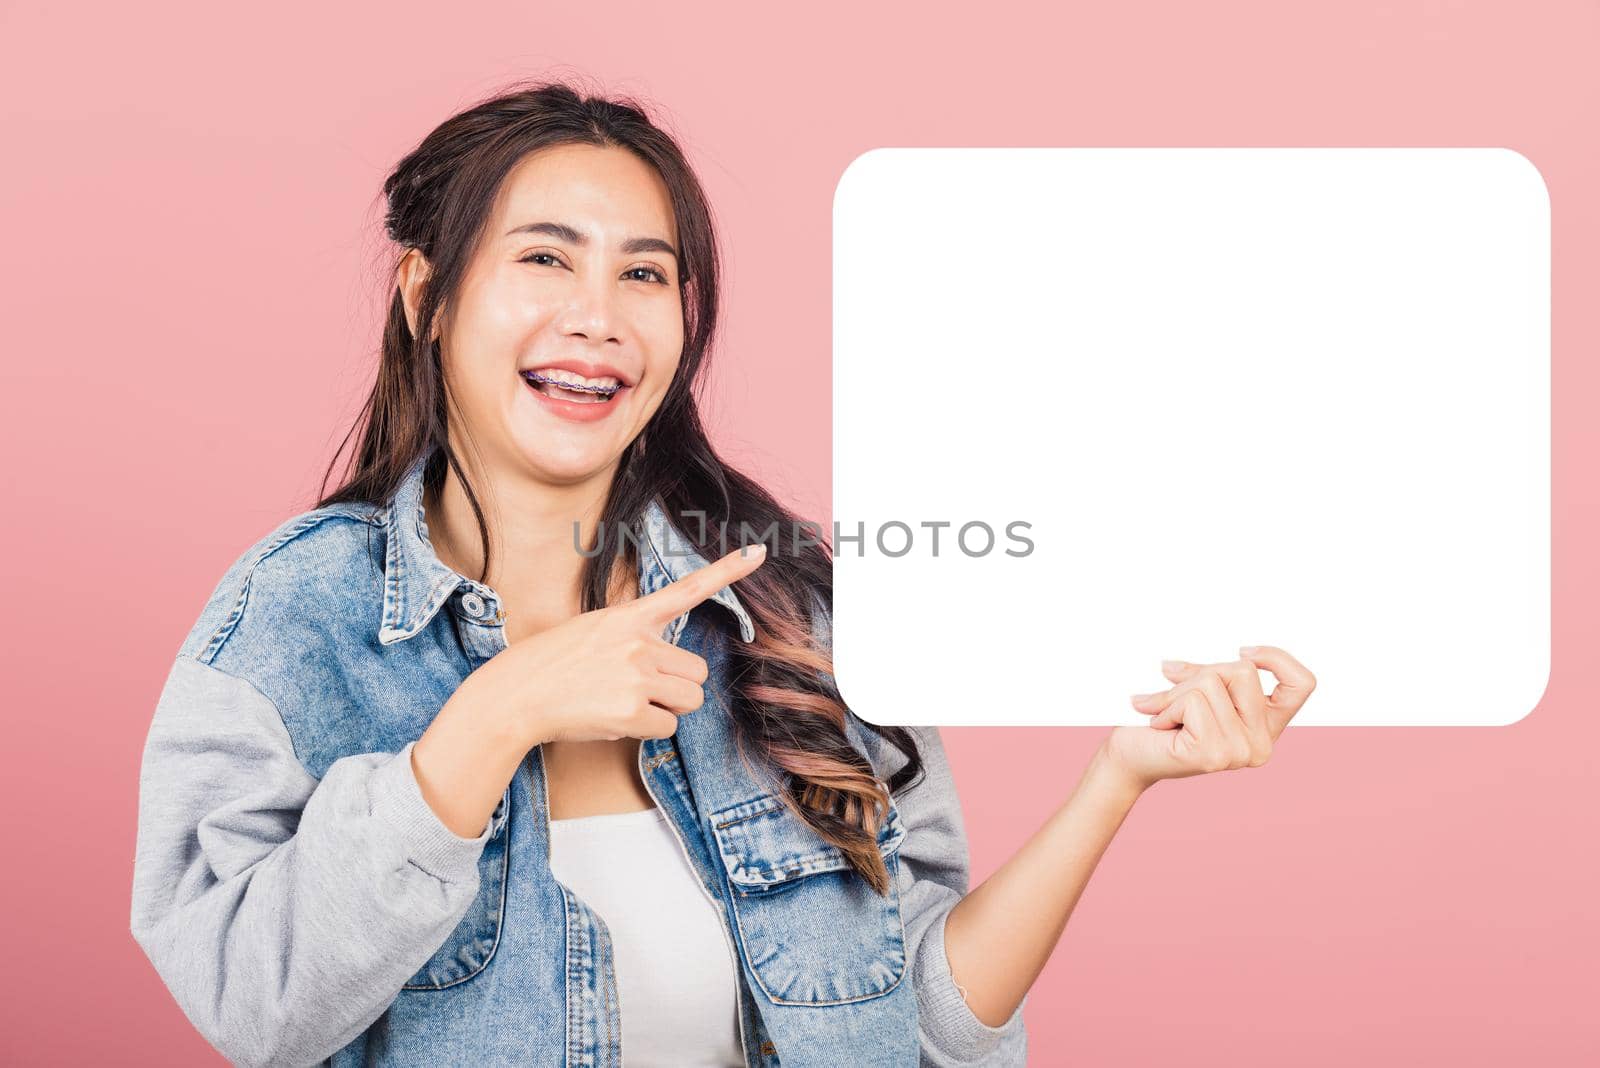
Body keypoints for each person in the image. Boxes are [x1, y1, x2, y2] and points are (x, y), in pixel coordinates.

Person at [129, 78, 1317, 1068]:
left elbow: (923, 1027)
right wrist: (495, 716)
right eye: (545, 258)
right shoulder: (293, 624)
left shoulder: (794, 613)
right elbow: (251, 1008)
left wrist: (1118, 777)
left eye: (644, 276)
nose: (598, 318)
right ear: (425, 296)